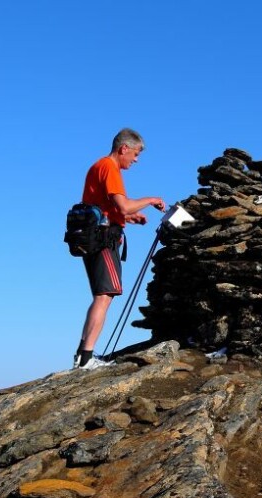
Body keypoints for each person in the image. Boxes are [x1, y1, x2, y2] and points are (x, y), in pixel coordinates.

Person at [74, 128, 164, 369]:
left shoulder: (99, 166)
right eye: (135, 154)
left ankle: (82, 355)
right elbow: (123, 205)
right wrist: (151, 200)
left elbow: (107, 207)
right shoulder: (109, 167)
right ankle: (86, 358)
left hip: (94, 235)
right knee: (105, 295)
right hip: (104, 239)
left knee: (102, 295)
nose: (136, 160)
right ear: (124, 148)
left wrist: (130, 218)